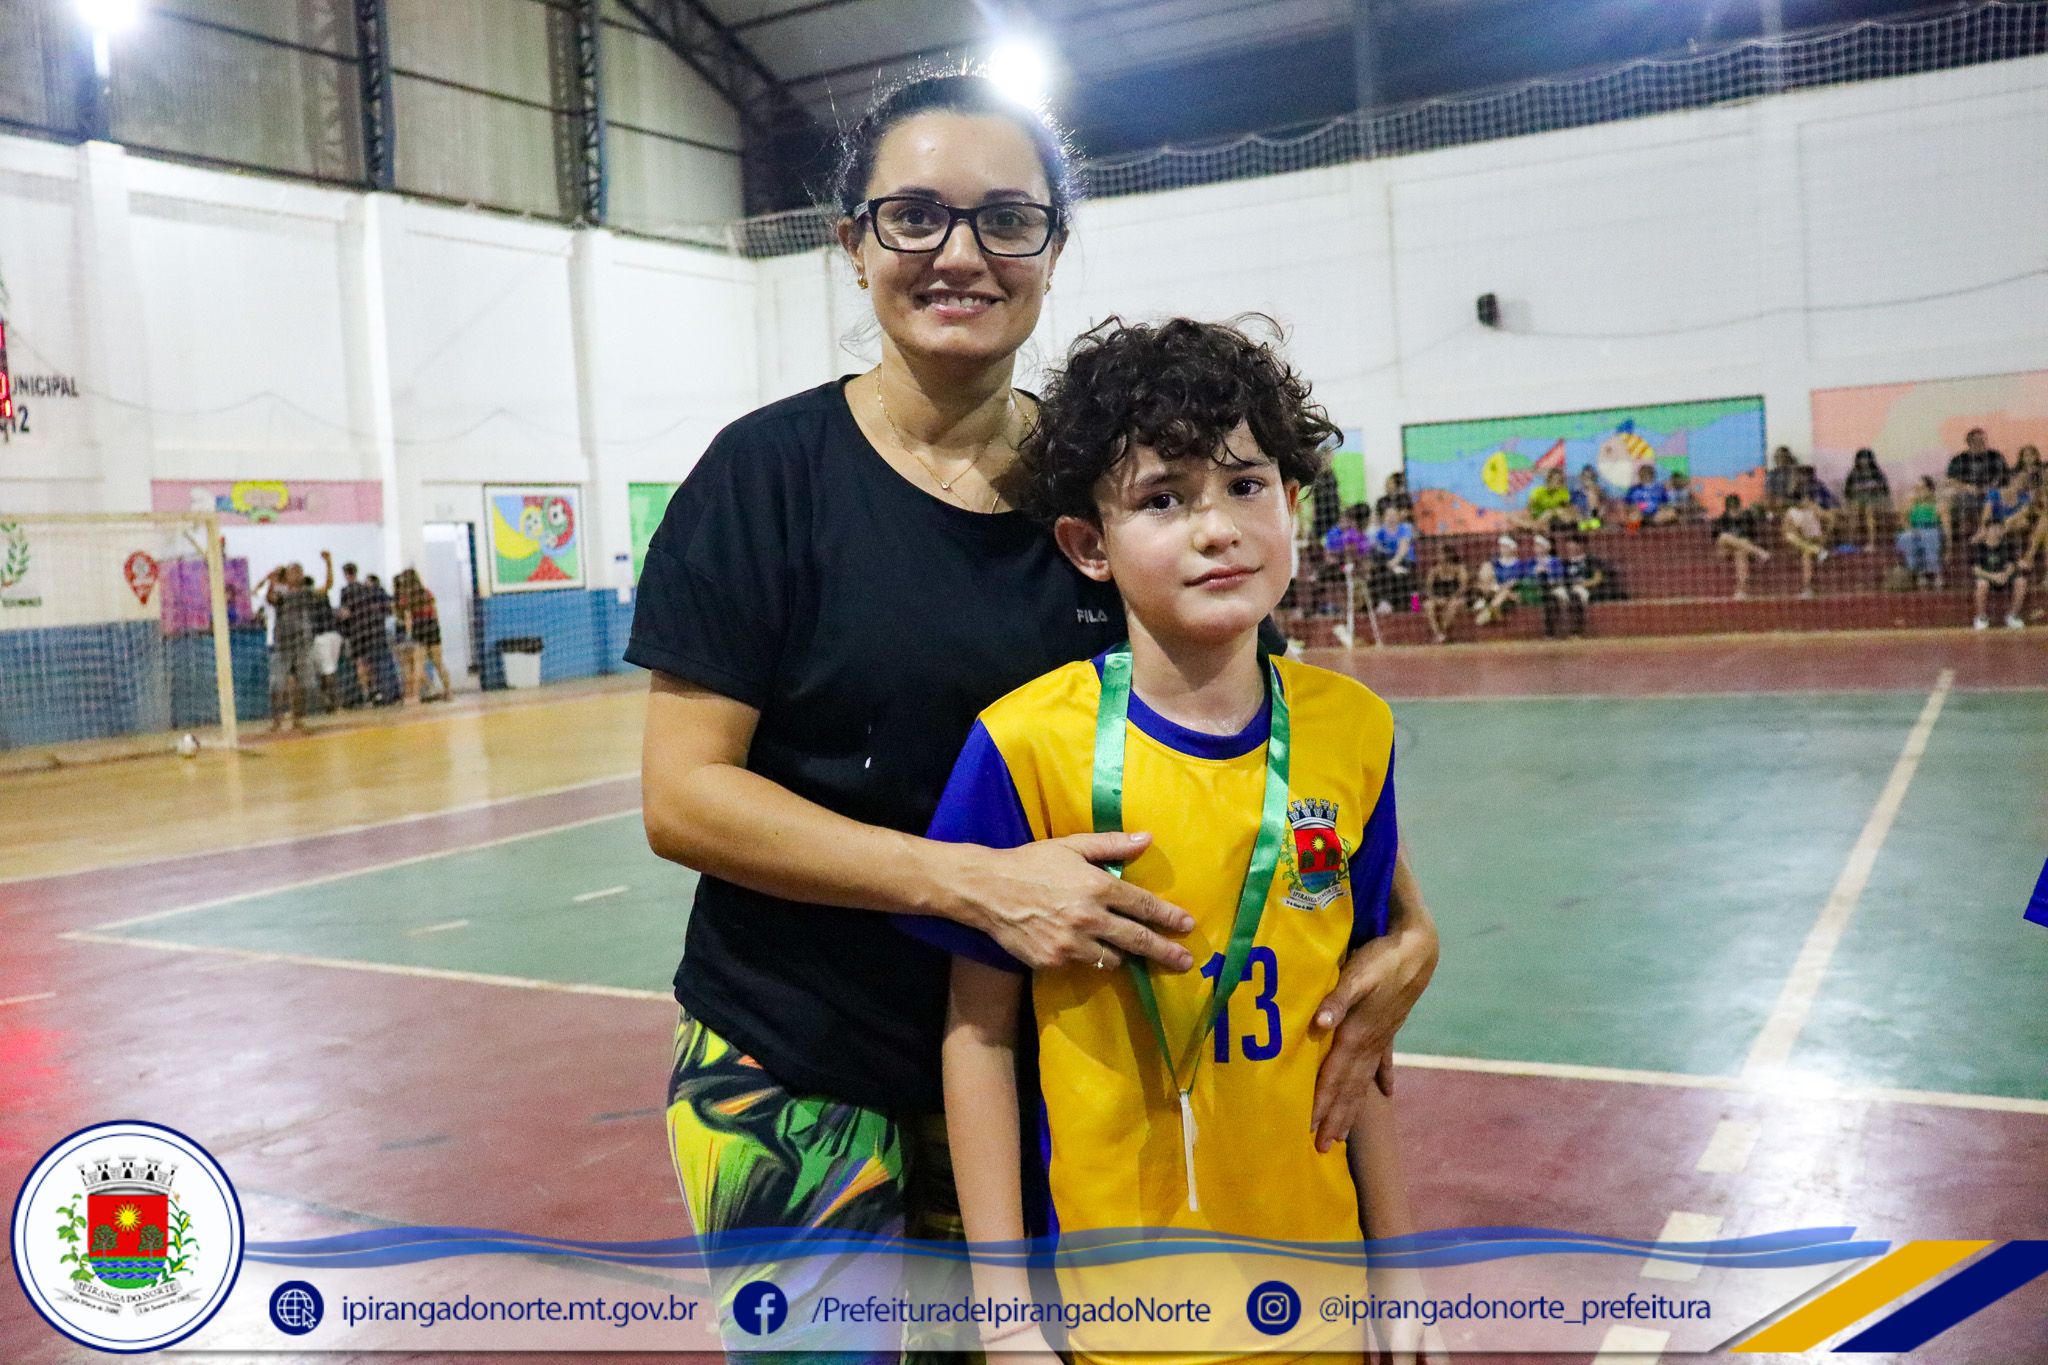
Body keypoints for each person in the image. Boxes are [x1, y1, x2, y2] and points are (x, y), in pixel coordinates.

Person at [624, 72, 1440, 1360]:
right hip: (795, 1056)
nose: (959, 253)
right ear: (851, 246)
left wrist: (1409, 932)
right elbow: (684, 798)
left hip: (1049, 1076)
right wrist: (971, 884)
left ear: (1053, 248)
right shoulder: (765, 478)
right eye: (913, 216)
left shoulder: (1123, 483)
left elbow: (1275, 751)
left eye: (1006, 218)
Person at [920, 318, 1438, 1364]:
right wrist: (1006, 1315)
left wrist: (1399, 1269)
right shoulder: (1025, 746)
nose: (1217, 528)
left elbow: (1360, 1022)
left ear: (1291, 504)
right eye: (1163, 498)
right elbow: (978, 1035)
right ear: (1089, 546)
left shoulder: (1353, 730)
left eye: (1245, 485)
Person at [258, 552, 332, 731]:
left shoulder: (306, 592)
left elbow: (327, 586)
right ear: (287, 575)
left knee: (302, 685)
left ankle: (298, 719)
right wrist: (271, 582)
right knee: (277, 684)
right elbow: (270, 598)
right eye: (293, 571)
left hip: (302, 644)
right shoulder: (281, 593)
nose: (297, 574)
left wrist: (328, 563)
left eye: (299, 571)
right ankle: (276, 721)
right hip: (283, 645)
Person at [337, 562, 393, 706]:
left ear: (345, 574)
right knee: (371, 663)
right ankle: (376, 692)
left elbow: (345, 613)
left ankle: (366, 693)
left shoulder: (346, 591)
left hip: (356, 632)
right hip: (370, 631)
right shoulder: (366, 588)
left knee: (360, 663)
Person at [391, 569, 450, 702]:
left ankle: (417, 695)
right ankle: (448, 691)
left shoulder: (407, 598)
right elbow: (435, 612)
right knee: (439, 663)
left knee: (419, 665)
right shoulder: (427, 593)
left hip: (419, 628)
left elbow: (408, 618)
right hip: (432, 627)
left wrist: (408, 633)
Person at [1943, 428, 2008, 542]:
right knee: (1950, 496)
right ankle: (1955, 536)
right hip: (1966, 490)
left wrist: (1991, 487)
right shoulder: (1959, 459)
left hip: (1992, 490)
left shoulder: (1995, 456)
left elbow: (2004, 475)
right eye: (1977, 441)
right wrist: (1967, 487)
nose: (1982, 443)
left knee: (1997, 494)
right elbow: (1950, 479)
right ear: (1969, 443)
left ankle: (1987, 529)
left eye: (1983, 440)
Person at [1971, 519, 2030, 630]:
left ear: (2003, 531)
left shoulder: (2007, 545)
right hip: (1988, 577)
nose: (1996, 531)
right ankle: (1981, 617)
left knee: (2021, 581)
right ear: (1986, 530)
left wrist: (2005, 575)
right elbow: (1976, 569)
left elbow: (2012, 564)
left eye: (1999, 528)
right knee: (1981, 584)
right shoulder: (1979, 547)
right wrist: (1993, 576)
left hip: (2004, 577)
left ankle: (2012, 615)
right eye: (1993, 528)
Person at [1713, 494, 1771, 600]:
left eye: (1736, 508)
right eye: (1731, 509)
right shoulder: (1722, 519)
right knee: (1724, 537)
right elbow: (1718, 540)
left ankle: (1741, 590)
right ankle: (1759, 551)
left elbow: (1749, 538)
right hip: (1726, 549)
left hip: (1744, 548)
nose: (1734, 512)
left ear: (1739, 507)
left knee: (1740, 552)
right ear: (1727, 509)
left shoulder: (1747, 517)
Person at [1365, 500, 1417, 615]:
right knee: (1378, 574)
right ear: (1384, 517)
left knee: (1399, 576)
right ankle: (1384, 603)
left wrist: (1394, 562)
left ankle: (1415, 605)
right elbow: (1374, 548)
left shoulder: (1404, 528)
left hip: (1405, 561)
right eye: (1388, 515)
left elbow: (1403, 548)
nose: (1391, 518)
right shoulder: (1381, 532)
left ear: (1398, 516)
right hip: (1388, 563)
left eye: (1393, 515)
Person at [1894, 477, 1944, 588]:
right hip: (1915, 530)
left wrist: (1949, 545)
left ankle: (1935, 573)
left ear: (1930, 490)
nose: (1919, 491)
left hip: (1931, 529)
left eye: (1922, 488)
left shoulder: (1938, 504)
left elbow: (1945, 525)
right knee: (1906, 538)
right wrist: (1912, 530)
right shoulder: (1911, 504)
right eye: (1917, 489)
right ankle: (1919, 572)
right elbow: (1903, 521)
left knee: (1928, 537)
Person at [1782, 488, 1829, 598]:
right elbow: (1785, 531)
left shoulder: (1813, 507)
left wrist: (1826, 535)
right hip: (1801, 541)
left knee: (1806, 555)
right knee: (1789, 537)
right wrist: (1796, 531)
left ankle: (1808, 589)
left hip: (1815, 540)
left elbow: (1828, 518)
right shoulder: (1791, 512)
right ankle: (1818, 551)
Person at [1842, 448, 1891, 550]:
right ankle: (1850, 542)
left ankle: (1871, 543)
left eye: (1866, 458)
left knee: (1869, 511)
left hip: (1874, 501)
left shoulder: (1877, 473)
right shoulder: (1853, 474)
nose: (1863, 461)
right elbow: (1847, 492)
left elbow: (1885, 491)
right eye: (1861, 459)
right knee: (1854, 511)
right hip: (1858, 501)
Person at [1473, 533, 1526, 625]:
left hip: (1511, 596)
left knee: (1505, 593)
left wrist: (1496, 587)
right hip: (1492, 592)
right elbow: (1484, 581)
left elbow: (1512, 584)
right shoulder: (1494, 562)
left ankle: (1487, 609)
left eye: (1505, 546)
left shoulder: (1519, 564)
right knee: (1486, 566)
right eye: (1501, 546)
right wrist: (1493, 587)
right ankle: (1489, 607)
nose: (1502, 548)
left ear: (1512, 547)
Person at [1422, 547, 1467, 644]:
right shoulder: (1434, 571)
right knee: (1428, 605)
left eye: (1441, 554)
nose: (1439, 557)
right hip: (1438, 598)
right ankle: (1438, 634)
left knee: (1454, 604)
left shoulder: (1459, 569)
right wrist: (1436, 599)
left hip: (1456, 598)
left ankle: (1443, 631)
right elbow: (1428, 590)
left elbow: (1463, 588)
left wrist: (1451, 598)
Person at [1520, 466, 1573, 532]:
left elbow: (1568, 508)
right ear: (1549, 480)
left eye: (1561, 480)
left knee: (1560, 512)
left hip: (1555, 518)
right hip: (1539, 516)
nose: (1559, 483)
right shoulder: (1538, 491)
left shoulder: (1563, 492)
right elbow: (1528, 508)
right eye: (1557, 480)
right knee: (1549, 513)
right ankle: (1535, 527)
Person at [1622, 463, 1674, 528]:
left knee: (1671, 514)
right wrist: (1634, 508)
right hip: (1640, 514)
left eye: (1647, 473)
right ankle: (1638, 528)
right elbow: (1627, 504)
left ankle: (1655, 525)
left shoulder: (1660, 488)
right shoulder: (1633, 489)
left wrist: (1660, 508)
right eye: (1643, 473)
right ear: (1640, 475)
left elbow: (1666, 503)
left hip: (1656, 514)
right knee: (1632, 517)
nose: (1645, 475)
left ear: (1652, 474)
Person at [1763, 445, 1802, 511]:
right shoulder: (1772, 475)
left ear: (1789, 459)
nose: (1782, 459)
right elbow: (1769, 494)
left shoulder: (1794, 473)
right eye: (1779, 457)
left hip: (1794, 504)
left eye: (1784, 457)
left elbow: (1797, 492)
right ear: (1776, 459)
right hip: (1777, 504)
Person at [1571, 465, 1605, 531]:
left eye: (1591, 478)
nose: (1588, 480)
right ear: (1582, 477)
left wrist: (1591, 489)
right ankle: (1584, 523)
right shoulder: (1576, 490)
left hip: (1593, 517)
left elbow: (1602, 503)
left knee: (1592, 495)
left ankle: (1593, 519)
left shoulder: (1597, 490)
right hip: (1581, 517)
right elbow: (1572, 504)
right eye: (1586, 477)